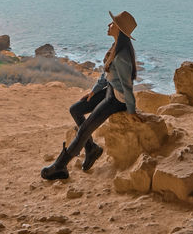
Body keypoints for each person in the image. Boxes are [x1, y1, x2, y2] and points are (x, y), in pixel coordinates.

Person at [40, 10, 145, 181]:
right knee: (75, 109)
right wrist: (94, 91)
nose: (108, 25)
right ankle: (92, 149)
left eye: (112, 24)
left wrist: (132, 111)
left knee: (84, 130)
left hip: (116, 100)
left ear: (118, 29)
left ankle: (59, 167)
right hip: (108, 91)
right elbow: (106, 75)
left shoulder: (122, 55)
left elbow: (127, 86)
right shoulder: (115, 47)